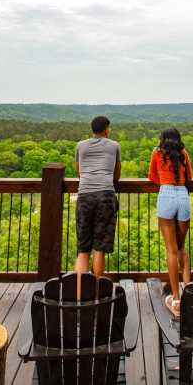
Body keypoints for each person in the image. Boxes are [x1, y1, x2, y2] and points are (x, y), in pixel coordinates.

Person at [148, 127, 192, 317]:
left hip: (165, 194)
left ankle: (176, 298)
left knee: (171, 250)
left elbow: (152, 176)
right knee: (182, 248)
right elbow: (189, 176)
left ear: (163, 139)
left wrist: (164, 182)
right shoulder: (183, 153)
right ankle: (189, 294)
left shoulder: (157, 152)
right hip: (183, 195)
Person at [74, 115, 121, 279]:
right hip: (105, 196)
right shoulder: (114, 146)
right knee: (99, 247)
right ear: (106, 129)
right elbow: (117, 175)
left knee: (83, 248)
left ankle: (79, 293)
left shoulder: (80, 146)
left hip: (84, 195)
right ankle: (96, 291)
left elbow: (79, 172)